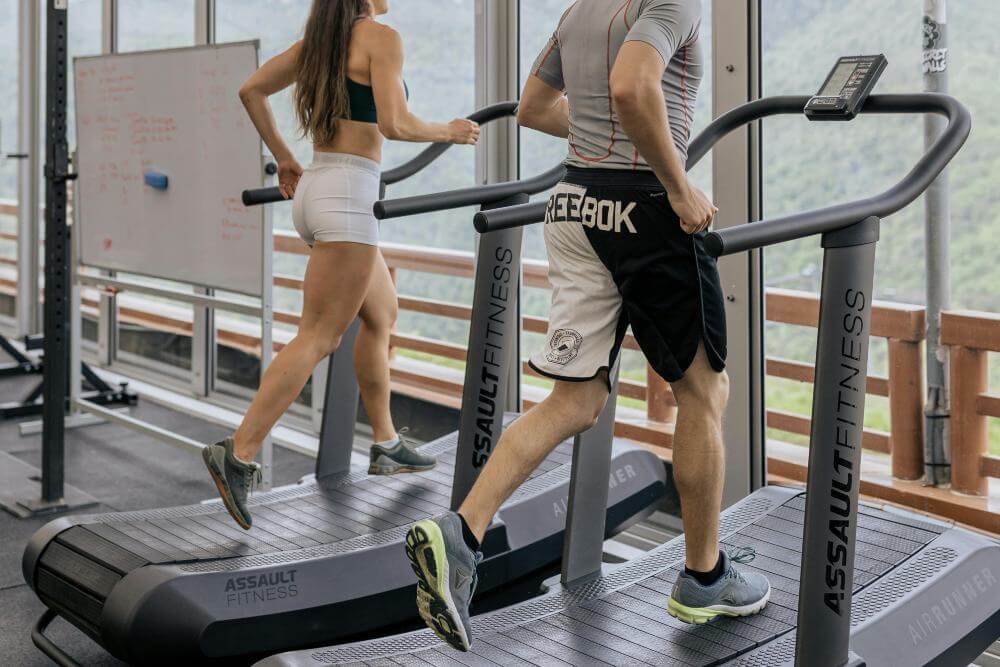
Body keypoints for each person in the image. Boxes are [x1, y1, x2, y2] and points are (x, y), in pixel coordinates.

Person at [403, 0, 770, 651]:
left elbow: (535, 107)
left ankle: (461, 535)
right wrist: (678, 184)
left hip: (574, 204)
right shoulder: (671, 3)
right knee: (703, 390)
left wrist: (606, 137)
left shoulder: (582, 8)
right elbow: (632, 85)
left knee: (573, 400)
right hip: (646, 209)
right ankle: (705, 575)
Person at [202, 0, 480, 531]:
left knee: (381, 313)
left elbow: (250, 90)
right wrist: (449, 130)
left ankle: (386, 443)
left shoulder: (320, 42)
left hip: (317, 187)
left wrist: (285, 156)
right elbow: (394, 125)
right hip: (350, 194)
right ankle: (237, 453)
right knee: (319, 335)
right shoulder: (380, 37)